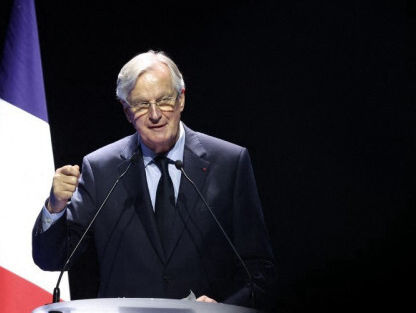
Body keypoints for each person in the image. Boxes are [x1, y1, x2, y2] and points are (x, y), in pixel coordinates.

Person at [32, 50, 276, 310]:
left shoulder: (228, 162)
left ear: (181, 99)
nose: (155, 114)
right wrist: (55, 206)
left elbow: (260, 271)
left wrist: (221, 308)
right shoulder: (101, 168)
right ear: (127, 111)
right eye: (141, 104)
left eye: (164, 100)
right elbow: (52, 260)